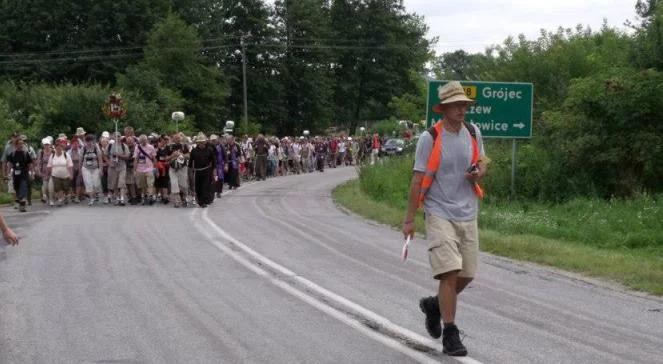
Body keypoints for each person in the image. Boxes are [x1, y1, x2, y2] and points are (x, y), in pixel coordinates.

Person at [402, 81, 488, 357]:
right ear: (445, 108)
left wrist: (479, 173)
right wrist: (409, 219)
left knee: (467, 274)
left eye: (465, 105)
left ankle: (434, 305)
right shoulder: (430, 138)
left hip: (468, 211)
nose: (463, 109)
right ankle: (450, 334)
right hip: (439, 211)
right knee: (449, 272)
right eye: (458, 105)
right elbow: (417, 180)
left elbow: (483, 162)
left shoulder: (474, 132)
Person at [188, 132, 216, 208]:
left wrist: (214, 171)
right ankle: (200, 201)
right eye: (200, 142)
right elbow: (190, 162)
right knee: (198, 187)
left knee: (205, 186)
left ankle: (204, 201)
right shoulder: (193, 151)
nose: (202, 144)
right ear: (198, 143)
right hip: (197, 172)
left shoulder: (209, 150)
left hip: (207, 171)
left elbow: (213, 161)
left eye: (203, 142)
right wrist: (190, 172)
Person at [6, 136, 34, 212]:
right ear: (16, 145)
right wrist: (8, 173)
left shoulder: (26, 154)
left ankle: (23, 205)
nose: (21, 145)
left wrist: (32, 174)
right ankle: (21, 202)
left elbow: (30, 164)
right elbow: (9, 164)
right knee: (17, 189)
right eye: (19, 143)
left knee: (24, 188)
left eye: (22, 143)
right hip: (15, 175)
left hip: (24, 174)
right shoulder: (12, 154)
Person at [47, 139, 73, 206]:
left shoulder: (66, 155)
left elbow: (70, 165)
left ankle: (66, 196)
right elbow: (49, 166)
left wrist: (71, 174)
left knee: (66, 188)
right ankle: (60, 200)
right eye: (57, 148)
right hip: (55, 175)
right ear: (55, 148)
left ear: (62, 148)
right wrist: (50, 174)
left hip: (65, 175)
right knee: (58, 188)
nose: (58, 149)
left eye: (60, 147)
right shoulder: (52, 156)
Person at [167, 133, 190, 208]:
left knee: (183, 185)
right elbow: (166, 158)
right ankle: (176, 201)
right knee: (174, 184)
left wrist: (181, 155)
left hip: (182, 168)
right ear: (173, 139)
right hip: (173, 169)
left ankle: (184, 198)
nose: (177, 139)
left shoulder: (184, 146)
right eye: (175, 138)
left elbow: (189, 155)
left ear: (181, 139)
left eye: (178, 138)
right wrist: (173, 155)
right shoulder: (169, 147)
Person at [133, 134, 157, 205]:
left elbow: (154, 158)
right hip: (140, 169)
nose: (143, 142)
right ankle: (145, 196)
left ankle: (150, 196)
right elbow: (136, 159)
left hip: (149, 168)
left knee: (150, 184)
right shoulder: (137, 147)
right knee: (143, 185)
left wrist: (155, 167)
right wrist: (134, 170)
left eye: (144, 141)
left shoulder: (151, 147)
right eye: (142, 141)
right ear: (140, 141)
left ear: (147, 140)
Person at [80, 134, 103, 206]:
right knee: (88, 183)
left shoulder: (96, 148)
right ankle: (91, 198)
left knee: (96, 184)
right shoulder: (83, 148)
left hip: (95, 168)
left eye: (91, 141)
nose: (89, 143)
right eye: (88, 141)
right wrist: (80, 170)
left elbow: (100, 160)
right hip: (85, 168)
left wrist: (101, 169)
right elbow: (80, 159)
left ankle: (95, 194)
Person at [108, 133, 130, 206]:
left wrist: (119, 155)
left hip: (122, 167)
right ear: (113, 137)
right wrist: (109, 162)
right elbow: (104, 154)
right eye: (115, 136)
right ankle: (117, 198)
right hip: (113, 167)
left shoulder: (124, 146)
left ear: (120, 137)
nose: (117, 138)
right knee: (114, 183)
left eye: (118, 136)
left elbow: (127, 156)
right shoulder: (110, 146)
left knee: (121, 182)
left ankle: (122, 198)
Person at [36, 137, 54, 206]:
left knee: (51, 186)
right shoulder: (41, 152)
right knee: (45, 186)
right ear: (43, 145)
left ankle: (51, 200)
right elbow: (39, 162)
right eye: (45, 144)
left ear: (50, 145)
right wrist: (39, 171)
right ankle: (45, 196)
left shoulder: (53, 151)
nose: (46, 146)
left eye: (47, 144)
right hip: (44, 171)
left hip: (52, 171)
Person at [154, 136, 171, 204]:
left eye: (166, 140)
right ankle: (158, 196)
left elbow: (170, 157)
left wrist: (169, 162)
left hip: (166, 167)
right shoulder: (156, 148)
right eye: (164, 140)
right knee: (157, 181)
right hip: (158, 166)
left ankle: (165, 197)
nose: (165, 141)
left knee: (165, 181)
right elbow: (154, 158)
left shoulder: (168, 148)